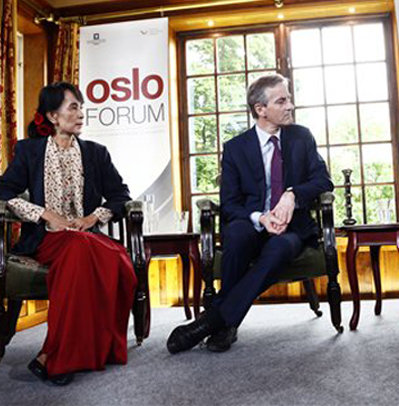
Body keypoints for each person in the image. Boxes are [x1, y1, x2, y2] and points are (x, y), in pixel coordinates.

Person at [167, 74, 333, 354]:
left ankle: (214, 321)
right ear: (260, 109)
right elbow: (230, 204)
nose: (290, 105)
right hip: (252, 224)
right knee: (237, 233)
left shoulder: (301, 137)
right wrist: (260, 217)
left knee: (280, 247)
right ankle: (225, 322)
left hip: (292, 229)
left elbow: (323, 181)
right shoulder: (235, 148)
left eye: (289, 98)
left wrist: (292, 194)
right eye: (282, 100)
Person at [0, 82, 137, 385]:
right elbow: (4, 190)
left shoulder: (96, 153)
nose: (81, 113)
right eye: (73, 107)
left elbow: (120, 195)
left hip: (85, 237)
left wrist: (92, 217)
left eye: (81, 107)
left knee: (117, 260)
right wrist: (45, 214)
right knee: (81, 250)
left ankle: (53, 355)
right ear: (52, 116)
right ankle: (62, 357)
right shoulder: (29, 151)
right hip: (46, 239)